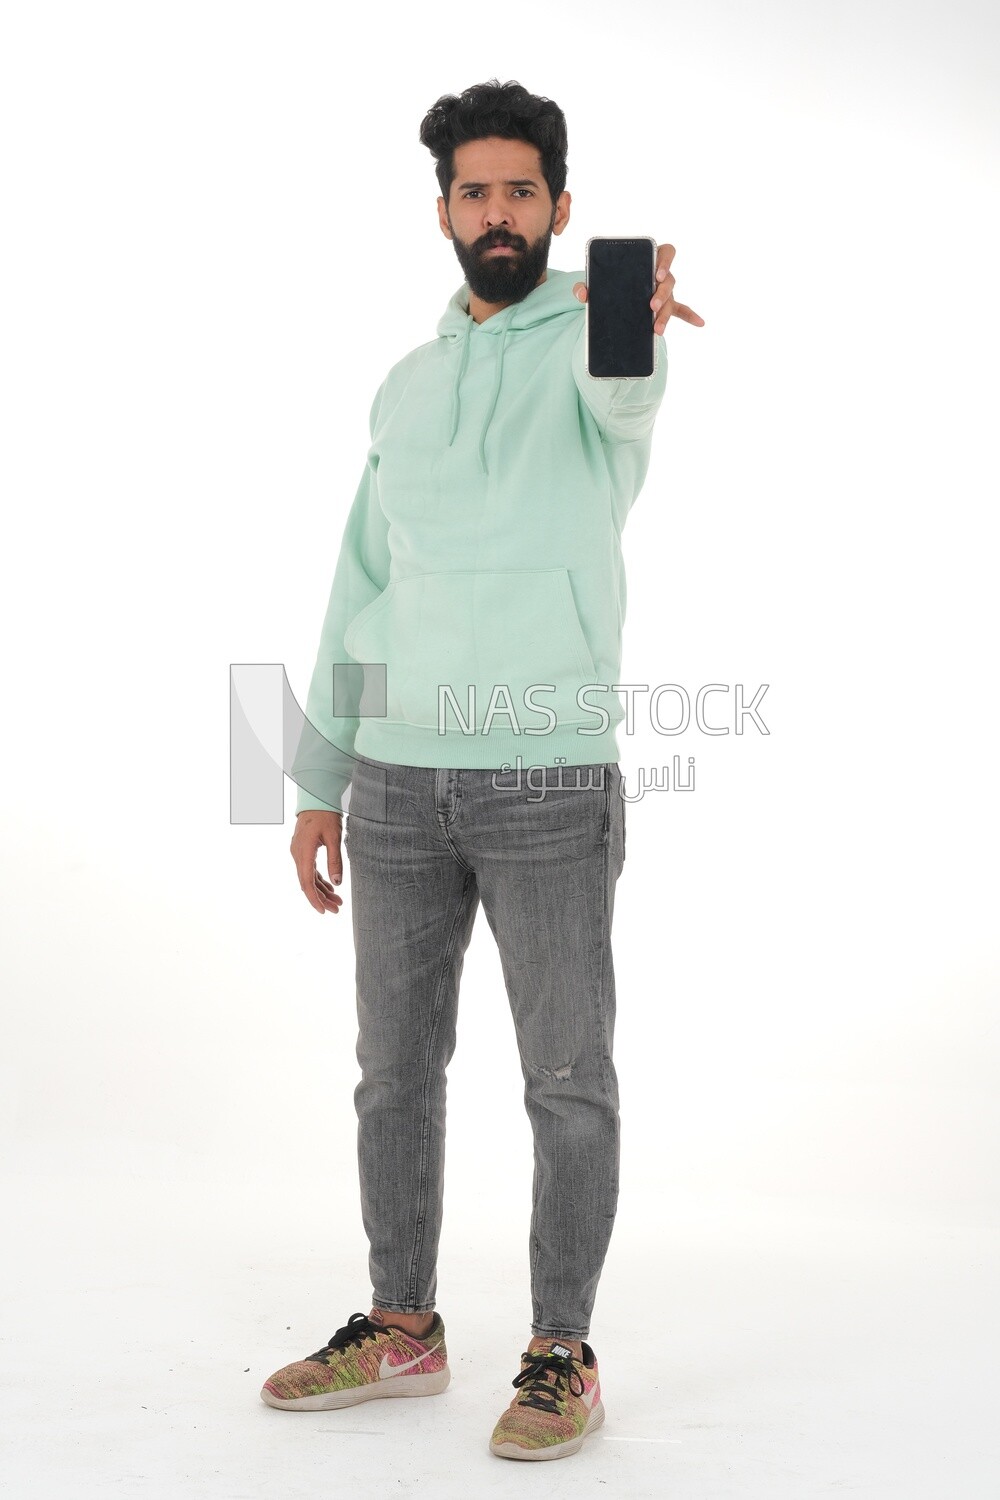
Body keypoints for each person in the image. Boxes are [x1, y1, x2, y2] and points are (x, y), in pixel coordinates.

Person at [260, 78, 704, 1461]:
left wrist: (625, 289)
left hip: (545, 778)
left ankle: (560, 1349)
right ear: (445, 211)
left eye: (523, 191)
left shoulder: (598, 336)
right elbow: (356, 585)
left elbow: (627, 395)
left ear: (557, 209)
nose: (497, 211)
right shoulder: (404, 383)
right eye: (475, 191)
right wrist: (314, 779)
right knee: (393, 1075)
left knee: (567, 1079)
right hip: (394, 785)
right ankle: (402, 1328)